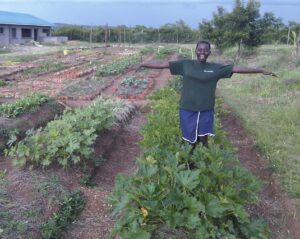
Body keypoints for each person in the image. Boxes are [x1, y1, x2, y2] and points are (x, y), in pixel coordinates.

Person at [138, 40, 276, 149]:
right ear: (196, 51)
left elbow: (237, 68)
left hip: (206, 109)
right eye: (200, 49)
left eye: (205, 50)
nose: (202, 52)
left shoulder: (215, 68)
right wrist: (143, 64)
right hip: (187, 109)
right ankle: (189, 163)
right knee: (189, 140)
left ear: (209, 52)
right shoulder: (186, 64)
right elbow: (163, 64)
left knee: (203, 139)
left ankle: (202, 163)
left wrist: (260, 70)